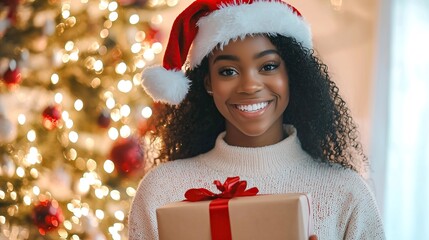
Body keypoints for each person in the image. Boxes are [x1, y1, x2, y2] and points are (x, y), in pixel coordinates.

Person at [129, 0, 385, 239]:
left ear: (292, 74)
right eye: (228, 71)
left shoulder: (346, 193)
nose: (250, 86)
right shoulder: (161, 190)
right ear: (209, 82)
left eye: (268, 66)